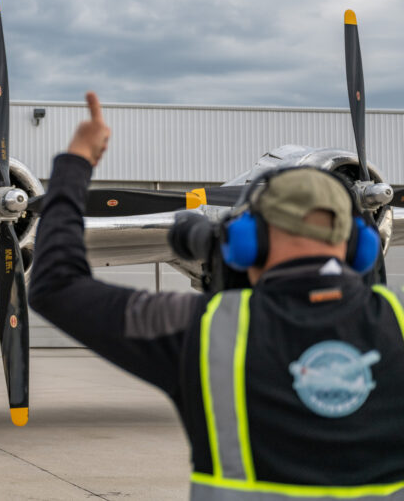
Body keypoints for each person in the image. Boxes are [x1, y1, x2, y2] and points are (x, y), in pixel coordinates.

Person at [28, 91, 404, 499]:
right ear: (360, 245)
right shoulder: (397, 322)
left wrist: (76, 162)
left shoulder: (204, 330)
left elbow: (57, 285)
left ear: (246, 241)